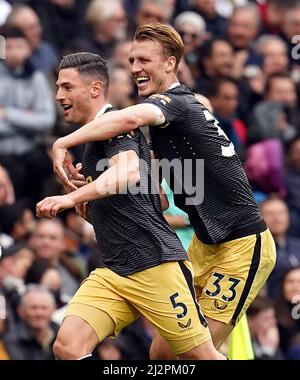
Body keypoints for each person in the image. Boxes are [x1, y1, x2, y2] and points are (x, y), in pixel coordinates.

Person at [46, 24, 276, 358]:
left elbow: (127, 120)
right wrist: (96, 196)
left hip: (241, 246)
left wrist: (62, 143)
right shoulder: (167, 124)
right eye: (131, 60)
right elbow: (159, 197)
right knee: (161, 356)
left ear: (170, 64)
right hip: (202, 245)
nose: (135, 67)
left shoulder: (175, 103)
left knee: (196, 354)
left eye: (144, 60)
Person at [37, 52, 225, 360]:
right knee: (68, 347)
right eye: (58, 87)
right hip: (115, 268)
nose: (59, 95)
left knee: (200, 356)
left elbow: (129, 172)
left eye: (67, 87)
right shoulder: (90, 139)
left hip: (154, 263)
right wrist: (90, 198)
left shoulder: (114, 126)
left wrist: (70, 198)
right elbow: (155, 197)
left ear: (95, 89)